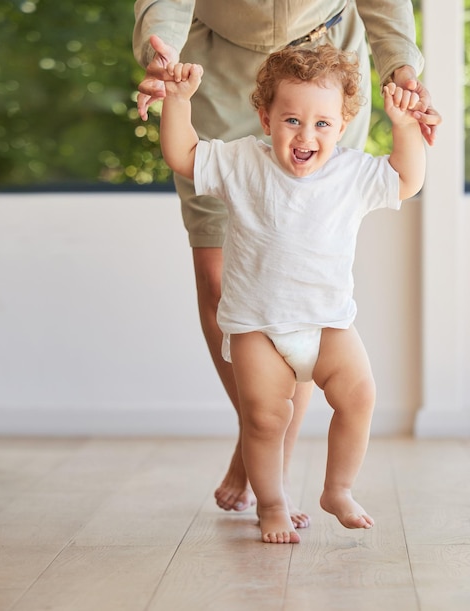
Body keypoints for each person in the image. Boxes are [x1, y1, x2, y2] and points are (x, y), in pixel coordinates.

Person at [133, 0, 440, 526]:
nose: (305, 136)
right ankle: (272, 496)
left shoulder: (349, 171)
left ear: (343, 124)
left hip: (326, 321)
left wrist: (406, 121)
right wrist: (175, 95)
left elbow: (406, 181)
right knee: (263, 414)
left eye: (322, 125)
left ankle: (335, 489)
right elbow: (184, 154)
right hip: (256, 323)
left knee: (360, 396)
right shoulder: (239, 160)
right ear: (265, 119)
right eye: (291, 123)